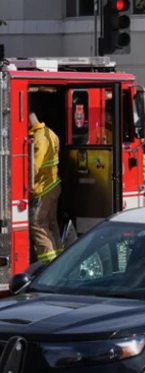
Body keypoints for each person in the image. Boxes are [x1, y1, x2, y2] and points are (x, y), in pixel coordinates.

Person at [28, 112, 62, 262]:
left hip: (43, 189)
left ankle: (48, 264)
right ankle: (60, 260)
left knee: (38, 224)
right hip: (53, 186)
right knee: (51, 224)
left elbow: (34, 166)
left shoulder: (39, 139)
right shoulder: (51, 133)